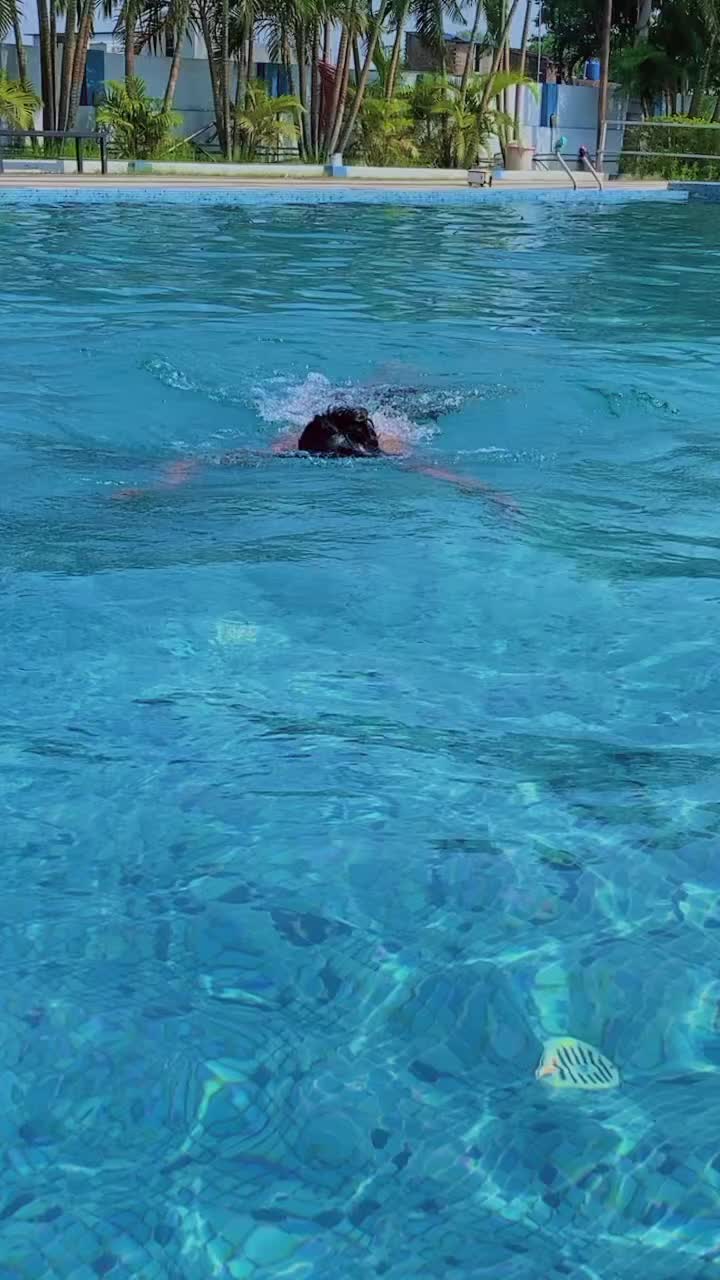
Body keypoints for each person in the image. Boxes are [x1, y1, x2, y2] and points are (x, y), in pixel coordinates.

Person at [114, 405, 515, 508]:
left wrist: (494, 496)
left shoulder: (391, 450)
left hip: (388, 419)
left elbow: (442, 472)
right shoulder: (286, 448)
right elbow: (201, 460)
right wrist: (159, 487)